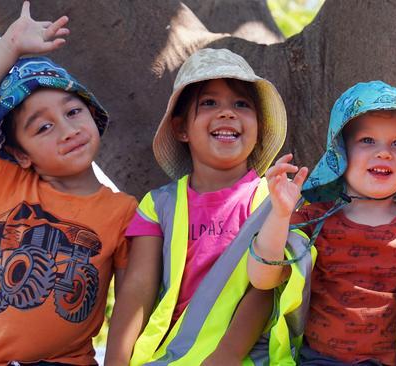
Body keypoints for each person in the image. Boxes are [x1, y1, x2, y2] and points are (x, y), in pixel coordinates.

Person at [0, 2, 137, 365]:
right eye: (43, 127)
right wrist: (11, 44)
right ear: (21, 154)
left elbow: (129, 305)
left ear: (92, 113)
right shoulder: (11, 185)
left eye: (73, 111)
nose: (68, 130)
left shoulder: (123, 211)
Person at [247, 80, 396, 365]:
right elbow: (263, 278)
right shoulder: (315, 219)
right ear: (340, 152)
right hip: (318, 359)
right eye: (367, 141)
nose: (384, 152)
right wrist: (280, 214)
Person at [104, 48, 289, 366]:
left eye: (241, 104)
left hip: (245, 355)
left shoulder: (273, 199)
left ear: (258, 127)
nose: (227, 113)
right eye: (209, 103)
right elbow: (137, 290)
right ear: (181, 129)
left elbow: (267, 289)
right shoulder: (158, 205)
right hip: (167, 356)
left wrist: (227, 355)